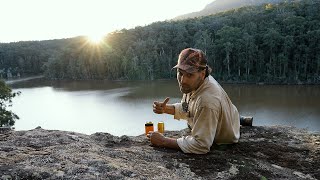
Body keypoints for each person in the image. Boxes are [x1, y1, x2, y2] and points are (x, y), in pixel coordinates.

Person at [149, 48, 248, 154]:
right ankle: (235, 118)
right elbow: (188, 108)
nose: (183, 80)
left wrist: (163, 141)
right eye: (180, 73)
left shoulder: (207, 101)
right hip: (228, 113)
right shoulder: (195, 83)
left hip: (224, 135)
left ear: (202, 73)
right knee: (210, 112)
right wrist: (166, 109)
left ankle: (231, 119)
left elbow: (201, 145)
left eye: (189, 75)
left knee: (208, 110)